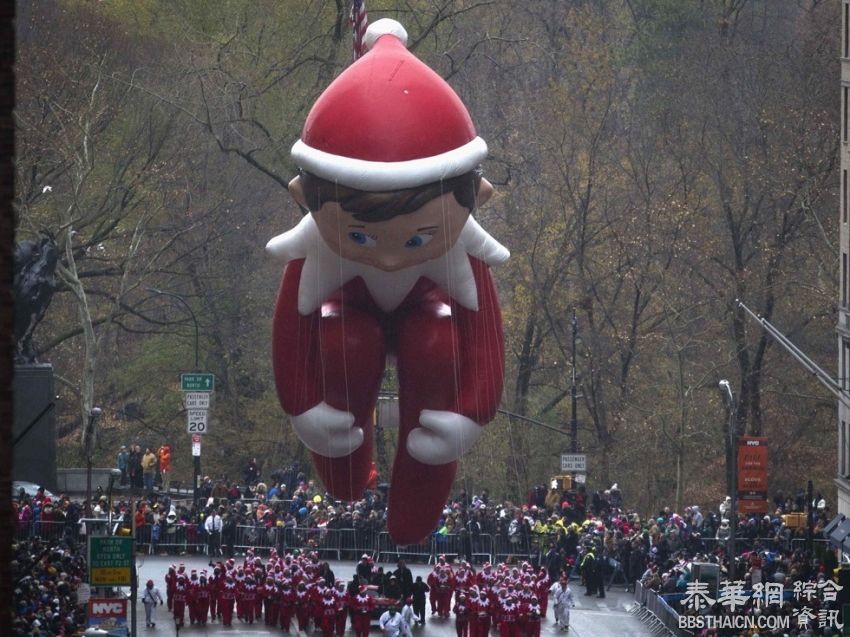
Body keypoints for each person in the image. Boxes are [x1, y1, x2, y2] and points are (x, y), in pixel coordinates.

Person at [267, 18, 507, 546]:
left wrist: (468, 412)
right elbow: (293, 336)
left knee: (436, 339)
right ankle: (345, 466)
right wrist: (307, 407)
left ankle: (415, 500)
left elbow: (482, 342)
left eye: (417, 239)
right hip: (349, 322)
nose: (393, 257)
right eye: (365, 237)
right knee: (347, 337)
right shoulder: (317, 252)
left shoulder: (459, 255)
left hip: (427, 321)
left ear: (475, 197)